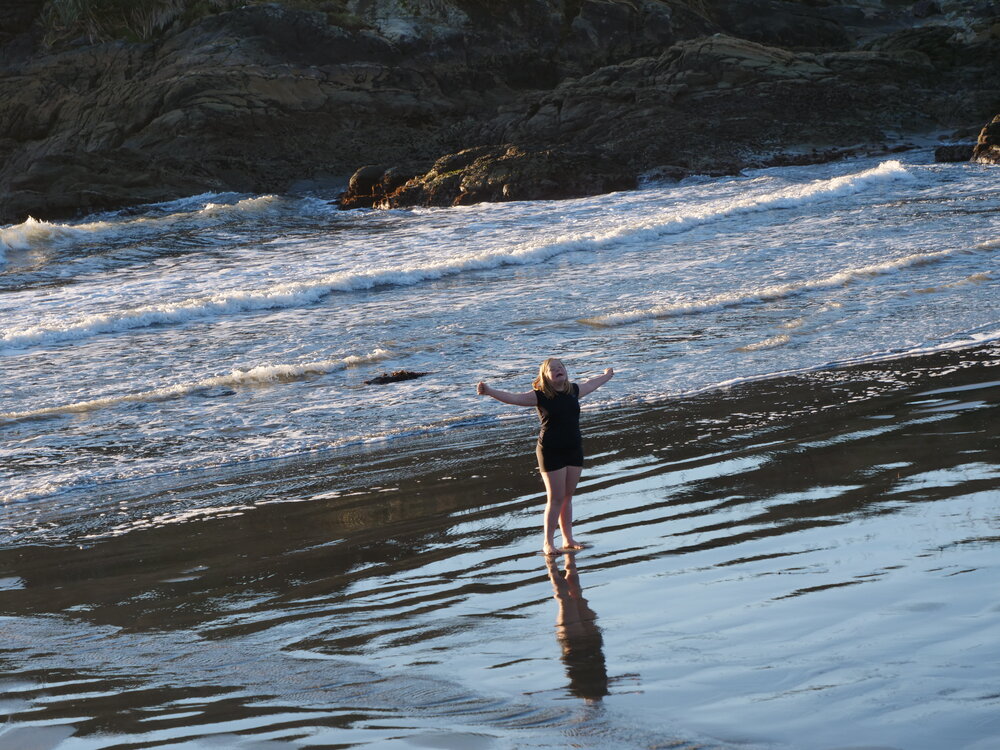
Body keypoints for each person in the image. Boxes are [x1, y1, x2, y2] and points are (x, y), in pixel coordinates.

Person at [477, 358, 614, 555]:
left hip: (574, 448)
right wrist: (489, 391)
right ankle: (548, 543)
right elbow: (513, 398)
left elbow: (591, 383)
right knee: (555, 498)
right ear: (545, 376)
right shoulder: (539, 396)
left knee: (567, 497)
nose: (558, 370)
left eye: (561, 368)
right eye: (553, 369)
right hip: (551, 451)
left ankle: (568, 539)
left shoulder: (573, 391)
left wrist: (607, 375)